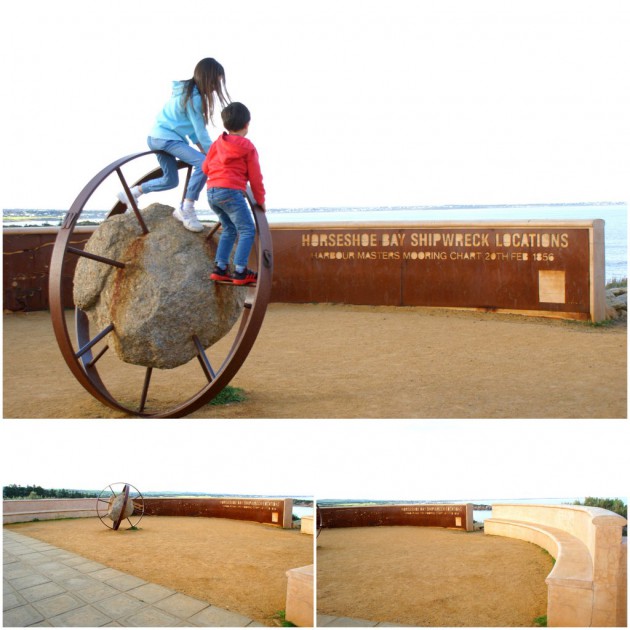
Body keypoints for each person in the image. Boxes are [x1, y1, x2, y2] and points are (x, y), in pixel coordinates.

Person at [117, 58, 230, 232]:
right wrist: (213, 156)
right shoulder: (195, 98)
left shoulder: (185, 93)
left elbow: (193, 131)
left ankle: (134, 192)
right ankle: (187, 207)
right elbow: (200, 132)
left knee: (170, 181)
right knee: (203, 165)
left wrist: (205, 150)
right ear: (208, 78)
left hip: (156, 137)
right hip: (167, 139)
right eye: (216, 82)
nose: (216, 88)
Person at [203, 102, 266, 285]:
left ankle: (220, 268)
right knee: (247, 229)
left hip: (212, 193)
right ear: (247, 124)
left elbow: (205, 167)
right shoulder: (247, 146)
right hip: (231, 192)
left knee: (229, 228)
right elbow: (255, 178)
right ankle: (240, 271)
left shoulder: (217, 144)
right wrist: (260, 201)